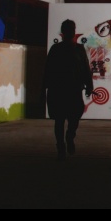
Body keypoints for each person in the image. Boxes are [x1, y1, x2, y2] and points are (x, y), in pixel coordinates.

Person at [42, 19, 94, 161]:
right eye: (69, 29)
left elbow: (85, 68)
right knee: (59, 120)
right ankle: (60, 146)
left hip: (74, 90)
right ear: (64, 32)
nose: (71, 32)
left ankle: (70, 136)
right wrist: (44, 88)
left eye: (72, 29)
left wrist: (89, 86)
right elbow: (48, 70)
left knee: (74, 118)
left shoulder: (79, 49)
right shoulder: (56, 49)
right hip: (59, 90)